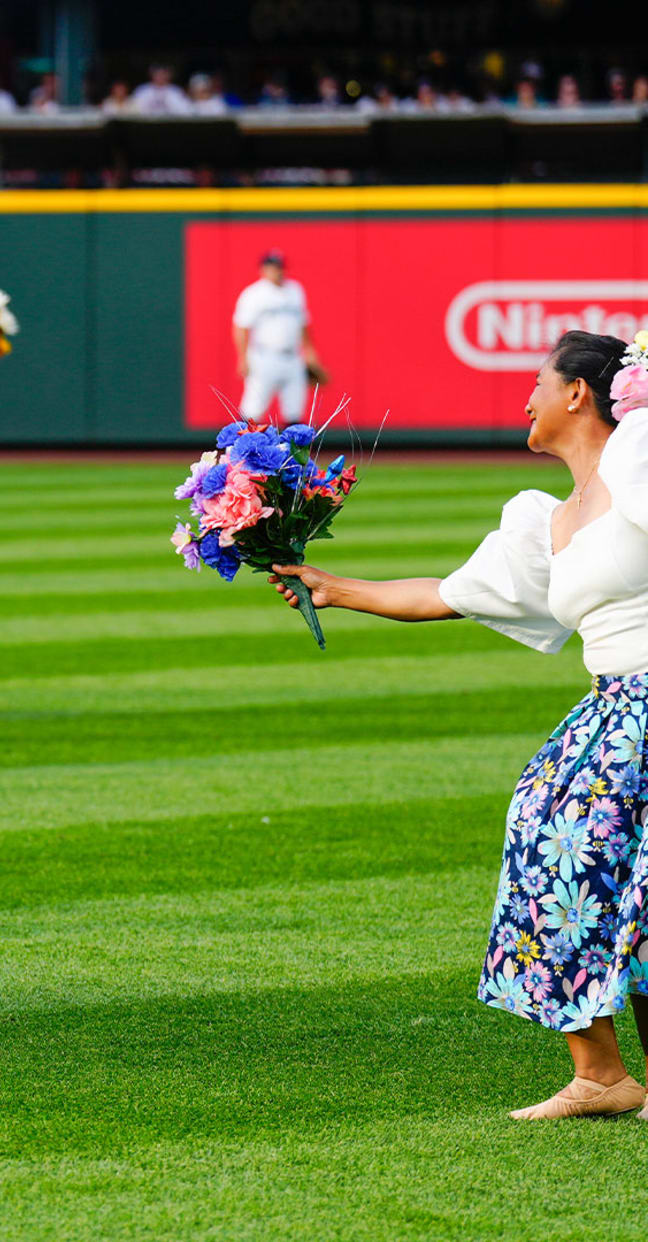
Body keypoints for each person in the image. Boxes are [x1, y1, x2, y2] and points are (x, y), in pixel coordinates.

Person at [269, 331, 648, 1120]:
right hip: (612, 704)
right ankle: (602, 1075)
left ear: (579, 392)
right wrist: (334, 588)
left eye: (538, 383)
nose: (526, 399)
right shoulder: (550, 518)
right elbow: (449, 592)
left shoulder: (640, 460)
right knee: (546, 837)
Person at [233, 249, 326, 426]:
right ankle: (238, 452)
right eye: (272, 267)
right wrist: (243, 357)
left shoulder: (295, 290)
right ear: (263, 269)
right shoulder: (254, 294)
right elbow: (241, 327)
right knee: (252, 410)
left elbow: (303, 324)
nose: (276, 270)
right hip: (264, 357)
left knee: (295, 413)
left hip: (292, 357)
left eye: (279, 267)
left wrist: (310, 353)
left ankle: (295, 454)